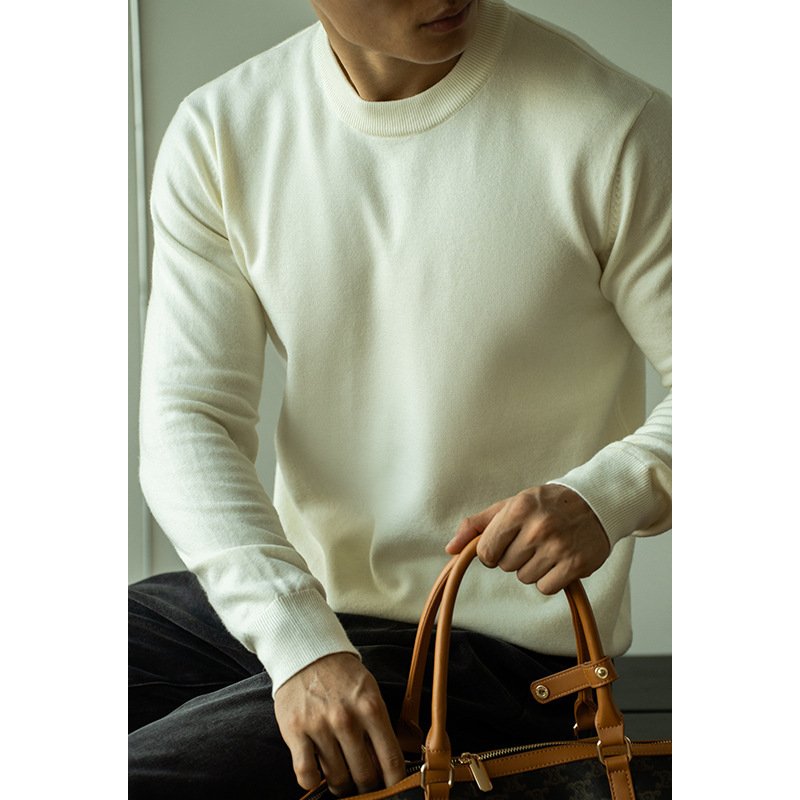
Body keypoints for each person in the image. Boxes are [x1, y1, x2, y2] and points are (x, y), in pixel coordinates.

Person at [129, 0, 671, 797]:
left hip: (490, 648)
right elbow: (188, 418)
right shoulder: (222, 131)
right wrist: (299, 640)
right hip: (308, 604)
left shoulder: (615, 126)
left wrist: (610, 494)